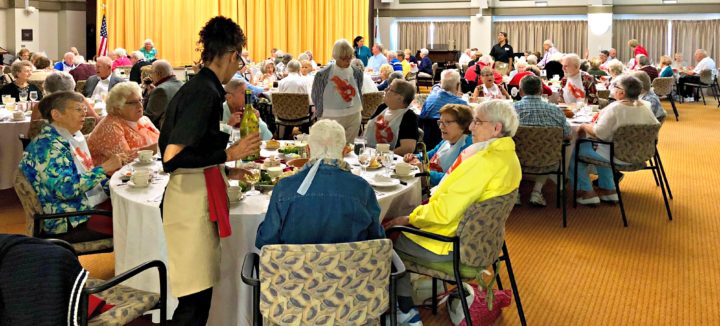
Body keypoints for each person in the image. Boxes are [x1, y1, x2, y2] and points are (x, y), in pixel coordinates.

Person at [159, 16, 261, 324]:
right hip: (188, 204)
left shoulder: (204, 87)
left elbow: (195, 148)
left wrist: (226, 170)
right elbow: (172, 158)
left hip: (195, 194)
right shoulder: (205, 92)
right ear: (232, 55)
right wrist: (230, 153)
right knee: (193, 301)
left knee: (198, 297)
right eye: (240, 60)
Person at [384, 100, 521, 325]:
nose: (472, 127)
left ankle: (405, 312)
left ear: (496, 128)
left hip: (450, 244)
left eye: (477, 122)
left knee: (386, 239)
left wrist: (409, 218)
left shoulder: (483, 162)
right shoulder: (508, 157)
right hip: (484, 243)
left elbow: (443, 213)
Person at [256, 119, 383, 247]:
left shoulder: (284, 188)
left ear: (308, 150)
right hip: (351, 266)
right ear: (344, 151)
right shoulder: (362, 188)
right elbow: (377, 239)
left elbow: (266, 242)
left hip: (296, 266)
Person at [19, 91, 124, 240]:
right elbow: (66, 190)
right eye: (78, 109)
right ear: (56, 115)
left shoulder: (65, 138)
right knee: (133, 220)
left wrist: (118, 182)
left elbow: (81, 177)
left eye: (84, 109)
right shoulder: (48, 147)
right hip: (67, 219)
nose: (84, 114)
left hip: (79, 207)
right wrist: (104, 168)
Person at [570, 75, 659, 205]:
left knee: (576, 150)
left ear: (622, 93)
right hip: (642, 155)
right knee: (602, 147)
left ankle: (586, 192)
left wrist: (583, 126)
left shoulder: (616, 108)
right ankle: (609, 190)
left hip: (617, 156)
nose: (613, 89)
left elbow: (599, 133)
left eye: (615, 87)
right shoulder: (647, 106)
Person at [513, 75, 570, 206]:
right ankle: (537, 192)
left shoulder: (511, 109)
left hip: (516, 159)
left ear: (520, 91)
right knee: (544, 149)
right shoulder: (555, 110)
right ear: (541, 92)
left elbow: (502, 134)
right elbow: (568, 135)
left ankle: (515, 192)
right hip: (548, 160)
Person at [88, 82, 159, 165]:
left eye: (140, 100)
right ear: (118, 107)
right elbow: (124, 159)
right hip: (116, 176)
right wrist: (156, 148)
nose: (139, 105)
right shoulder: (110, 126)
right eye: (133, 102)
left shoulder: (143, 120)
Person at [404, 104, 473, 187]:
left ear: (463, 125)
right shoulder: (446, 141)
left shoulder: (468, 147)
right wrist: (414, 157)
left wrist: (424, 171)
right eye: (440, 122)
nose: (440, 127)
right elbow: (428, 155)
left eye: (447, 122)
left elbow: (453, 178)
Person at [311, 39, 365, 144]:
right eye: (343, 58)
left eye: (350, 57)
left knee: (349, 148)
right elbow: (316, 95)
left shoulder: (357, 72)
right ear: (335, 56)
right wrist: (320, 114)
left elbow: (359, 90)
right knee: (330, 146)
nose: (347, 61)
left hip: (353, 114)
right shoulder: (322, 74)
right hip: (330, 116)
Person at [365, 79, 418, 156]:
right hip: (369, 154)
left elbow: (408, 148)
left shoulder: (409, 116)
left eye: (390, 89)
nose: (385, 90)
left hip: (391, 161)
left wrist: (384, 155)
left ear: (400, 98)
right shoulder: (382, 107)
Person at [419, 69, 467, 150]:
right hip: (450, 144)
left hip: (427, 142)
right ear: (458, 85)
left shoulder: (430, 98)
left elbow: (421, 117)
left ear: (441, 83)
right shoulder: (460, 104)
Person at [144, 60, 183, 129]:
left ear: (158, 73)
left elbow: (148, 118)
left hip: (162, 133)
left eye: (151, 73)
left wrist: (147, 95)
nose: (151, 77)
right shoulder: (182, 84)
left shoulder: (160, 90)